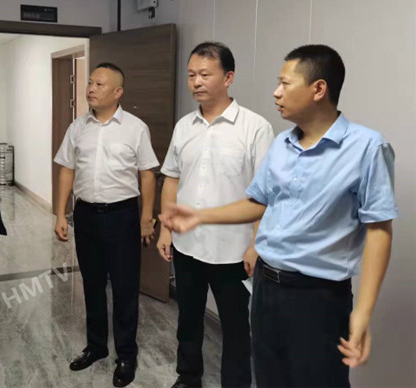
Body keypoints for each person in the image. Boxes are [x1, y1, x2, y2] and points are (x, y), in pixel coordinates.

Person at [160, 44, 398, 387]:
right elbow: (258, 202)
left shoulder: (367, 147)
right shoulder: (283, 143)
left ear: (318, 89)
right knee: (270, 377)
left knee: (318, 380)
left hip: (319, 296)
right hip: (267, 287)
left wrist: (362, 312)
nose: (276, 92)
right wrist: (200, 216)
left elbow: (379, 230)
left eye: (285, 83)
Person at [157, 42, 274, 388]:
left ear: (228, 77)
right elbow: (171, 178)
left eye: (205, 74)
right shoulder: (184, 126)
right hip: (187, 245)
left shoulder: (255, 127)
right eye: (191, 75)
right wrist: (166, 229)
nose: (196, 82)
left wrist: (256, 244)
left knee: (236, 328)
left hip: (234, 250)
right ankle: (188, 377)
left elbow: (265, 194)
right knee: (188, 319)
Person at [54, 62, 159, 387]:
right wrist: (60, 213)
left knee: (125, 287)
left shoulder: (135, 128)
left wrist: (146, 217)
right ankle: (96, 346)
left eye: (99, 84)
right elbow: (67, 169)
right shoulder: (78, 127)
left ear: (118, 92)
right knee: (92, 283)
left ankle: (126, 354)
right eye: (90, 82)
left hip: (122, 216)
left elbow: (147, 174)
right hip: (85, 214)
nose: (91, 89)